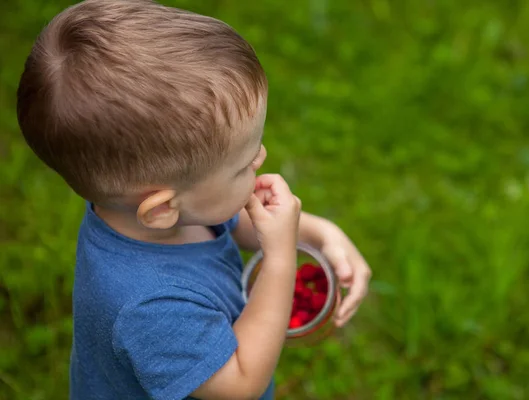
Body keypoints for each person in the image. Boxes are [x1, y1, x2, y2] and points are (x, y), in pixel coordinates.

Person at [16, 0, 372, 399]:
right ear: (163, 209)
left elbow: (240, 220)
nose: (262, 157)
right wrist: (281, 263)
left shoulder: (159, 211)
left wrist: (321, 234)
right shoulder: (150, 306)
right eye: (241, 167)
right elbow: (240, 383)